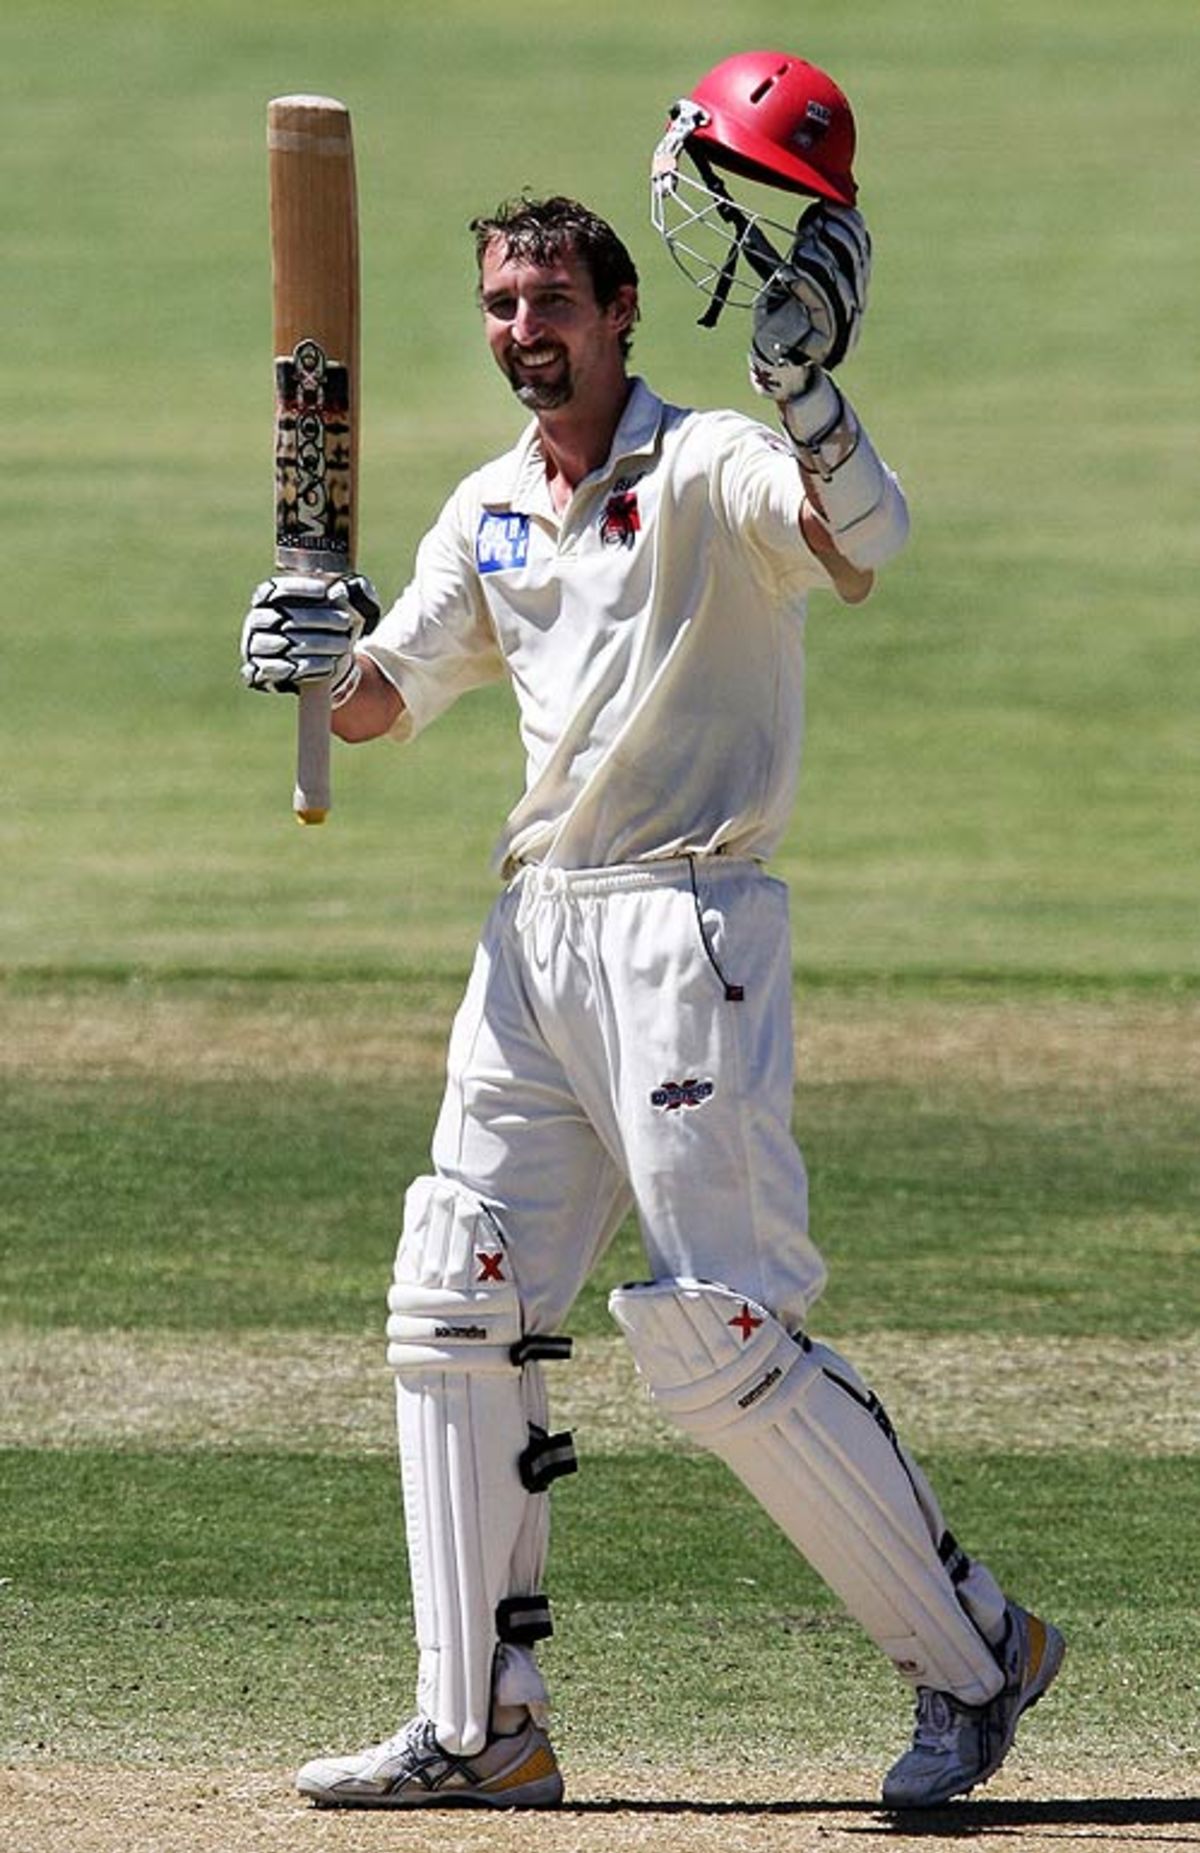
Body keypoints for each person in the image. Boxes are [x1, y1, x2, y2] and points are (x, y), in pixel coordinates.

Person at [240, 57, 1064, 1815]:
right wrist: (320, 653)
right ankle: (483, 1724)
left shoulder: (704, 467)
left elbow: (867, 542)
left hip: (689, 933)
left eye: (551, 301)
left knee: (716, 1333)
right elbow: (389, 701)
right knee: (451, 1291)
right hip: (532, 942)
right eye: (498, 305)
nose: (521, 328)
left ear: (622, 312)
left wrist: (814, 402)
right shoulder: (491, 505)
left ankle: (978, 1653)